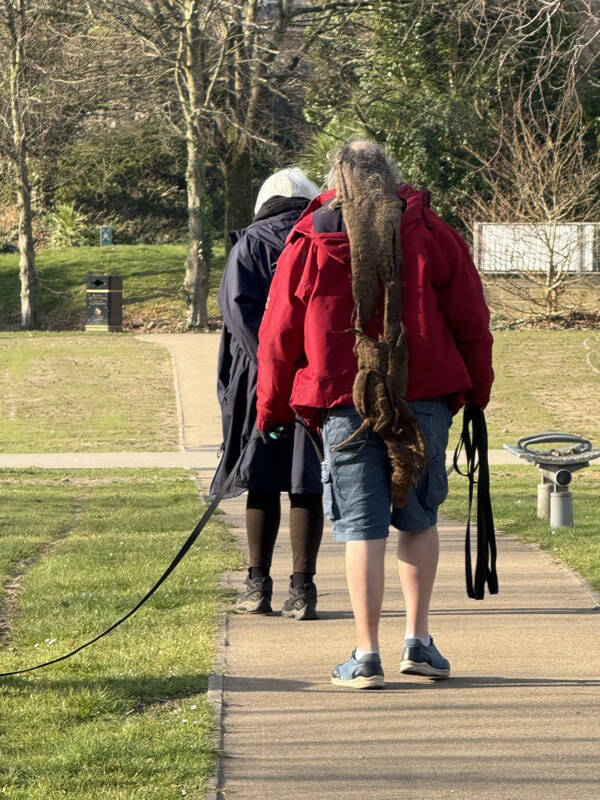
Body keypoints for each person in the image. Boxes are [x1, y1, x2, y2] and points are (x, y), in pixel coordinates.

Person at [256, 141, 494, 687]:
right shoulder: (431, 231)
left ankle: (366, 654)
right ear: (390, 173)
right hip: (423, 394)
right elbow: (471, 319)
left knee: (362, 527)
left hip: (344, 398)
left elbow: (279, 332)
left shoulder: (311, 237)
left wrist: (271, 406)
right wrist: (476, 392)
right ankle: (418, 641)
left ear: (335, 178)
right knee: (419, 518)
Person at [210, 167, 324, 620]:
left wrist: (271, 362)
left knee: (260, 477)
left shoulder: (250, 244)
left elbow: (238, 313)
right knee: (305, 480)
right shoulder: (322, 240)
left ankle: (257, 585)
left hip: (259, 380)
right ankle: (303, 589)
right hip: (313, 377)